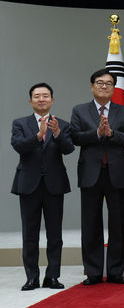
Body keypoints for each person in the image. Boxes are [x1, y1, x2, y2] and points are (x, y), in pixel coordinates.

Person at [71, 68, 124, 285]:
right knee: (91, 224)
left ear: (113, 88)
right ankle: (94, 272)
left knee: (118, 225)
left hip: (116, 173)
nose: (104, 86)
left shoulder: (123, 111)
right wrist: (98, 133)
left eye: (109, 83)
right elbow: (75, 138)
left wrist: (111, 134)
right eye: (100, 82)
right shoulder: (80, 110)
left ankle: (116, 271)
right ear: (92, 86)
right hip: (90, 174)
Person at [11, 83, 74, 291]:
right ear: (30, 101)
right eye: (37, 96)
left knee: (55, 235)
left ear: (52, 100)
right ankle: (32, 277)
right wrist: (38, 135)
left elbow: (68, 149)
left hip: (54, 185)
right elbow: (19, 146)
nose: (41, 99)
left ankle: (52, 277)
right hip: (28, 185)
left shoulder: (62, 124)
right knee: (30, 234)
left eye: (45, 96)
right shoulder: (20, 123)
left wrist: (57, 134)